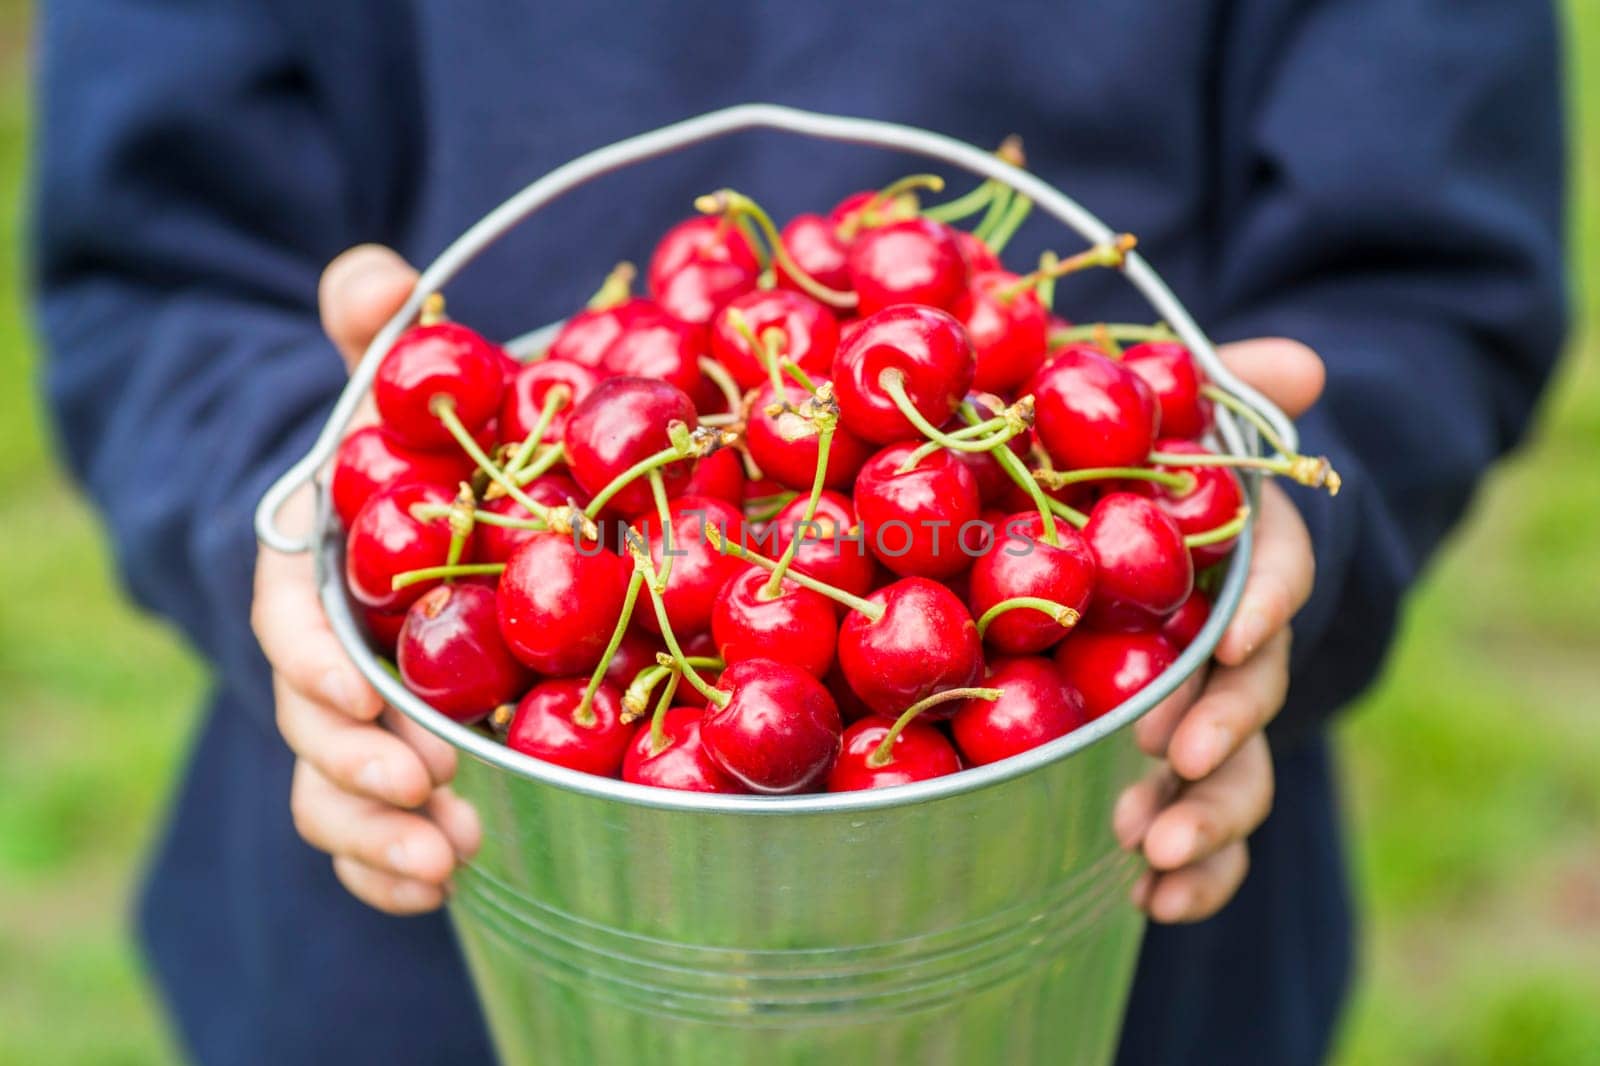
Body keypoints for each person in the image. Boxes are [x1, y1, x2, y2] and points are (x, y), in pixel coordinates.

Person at [32, 2, 1565, 1064]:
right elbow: (152, 271)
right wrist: (298, 492)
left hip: (1118, 915)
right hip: (414, 935)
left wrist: (1270, 498)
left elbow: (1422, 277)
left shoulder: (969, 523)